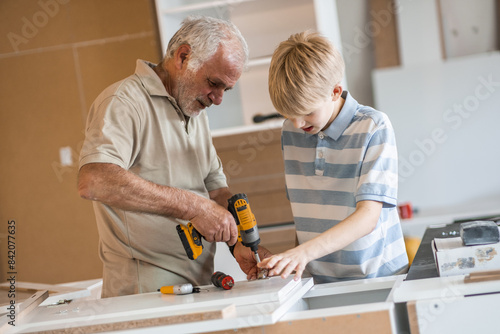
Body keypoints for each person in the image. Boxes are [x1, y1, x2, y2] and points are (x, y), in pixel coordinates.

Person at [78, 16, 269, 298]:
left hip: (197, 284)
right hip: (144, 293)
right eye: (214, 83)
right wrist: (193, 208)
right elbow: (94, 180)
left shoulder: (193, 108)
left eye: (225, 90)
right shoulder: (124, 102)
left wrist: (239, 241)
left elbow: (216, 190)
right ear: (183, 56)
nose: (218, 99)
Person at [259, 31, 409, 283]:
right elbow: (305, 211)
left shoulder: (373, 127)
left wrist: (301, 254)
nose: (297, 123)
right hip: (318, 281)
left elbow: (367, 218)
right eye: (288, 113)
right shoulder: (291, 131)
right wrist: (295, 265)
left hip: (378, 278)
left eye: (306, 112)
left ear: (335, 91)